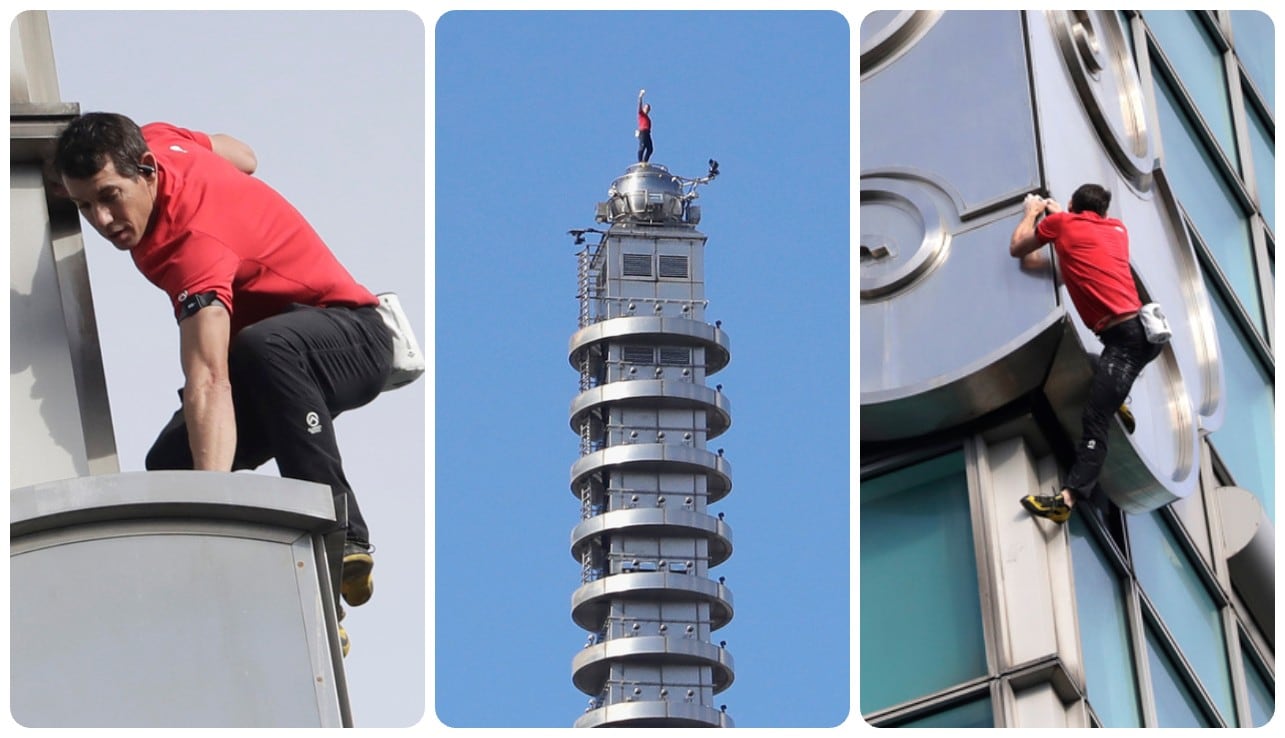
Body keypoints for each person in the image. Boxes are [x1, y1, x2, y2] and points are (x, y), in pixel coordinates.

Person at [53, 112, 391, 632]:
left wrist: (210, 514)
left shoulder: (194, 246)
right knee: (171, 465)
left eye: (110, 196)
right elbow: (245, 156)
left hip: (354, 335)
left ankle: (344, 537)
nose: (102, 220)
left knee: (260, 349)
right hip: (273, 365)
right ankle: (294, 607)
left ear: (146, 170)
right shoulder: (160, 139)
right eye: (84, 206)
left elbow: (210, 379)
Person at [1008, 184, 1162, 523]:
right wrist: (1063, 215)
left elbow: (1019, 249)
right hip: (1143, 333)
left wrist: (1032, 213)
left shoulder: (1061, 224)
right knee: (1091, 367)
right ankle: (1117, 400)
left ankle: (1067, 501)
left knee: (1095, 420)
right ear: (1103, 212)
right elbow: (1085, 248)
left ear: (1072, 204)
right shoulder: (1117, 229)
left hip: (1125, 340)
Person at [637, 88, 653, 163]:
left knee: (650, 149)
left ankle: (645, 162)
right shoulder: (641, 114)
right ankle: (640, 161)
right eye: (646, 108)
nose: (647, 109)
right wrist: (640, 97)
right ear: (644, 108)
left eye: (648, 109)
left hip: (647, 133)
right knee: (642, 146)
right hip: (643, 131)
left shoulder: (648, 119)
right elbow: (639, 106)